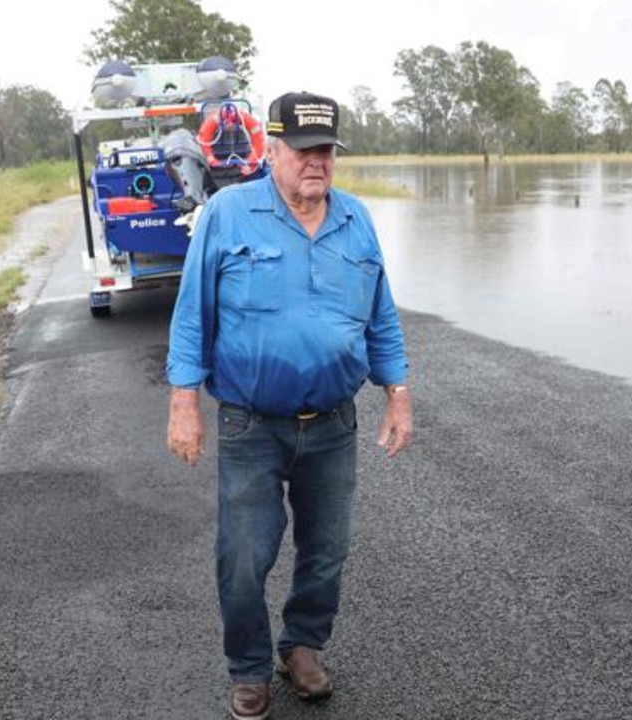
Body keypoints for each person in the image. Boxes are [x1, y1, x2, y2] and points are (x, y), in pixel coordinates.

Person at [165, 90, 414, 720]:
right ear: (272, 150)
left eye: (326, 150)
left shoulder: (356, 220)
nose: (316, 162)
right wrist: (183, 402)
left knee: (328, 548)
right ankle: (248, 668)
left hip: (332, 424)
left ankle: (302, 646)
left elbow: (381, 314)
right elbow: (192, 314)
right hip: (252, 423)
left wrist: (398, 394)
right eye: (303, 150)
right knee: (245, 555)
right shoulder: (228, 213)